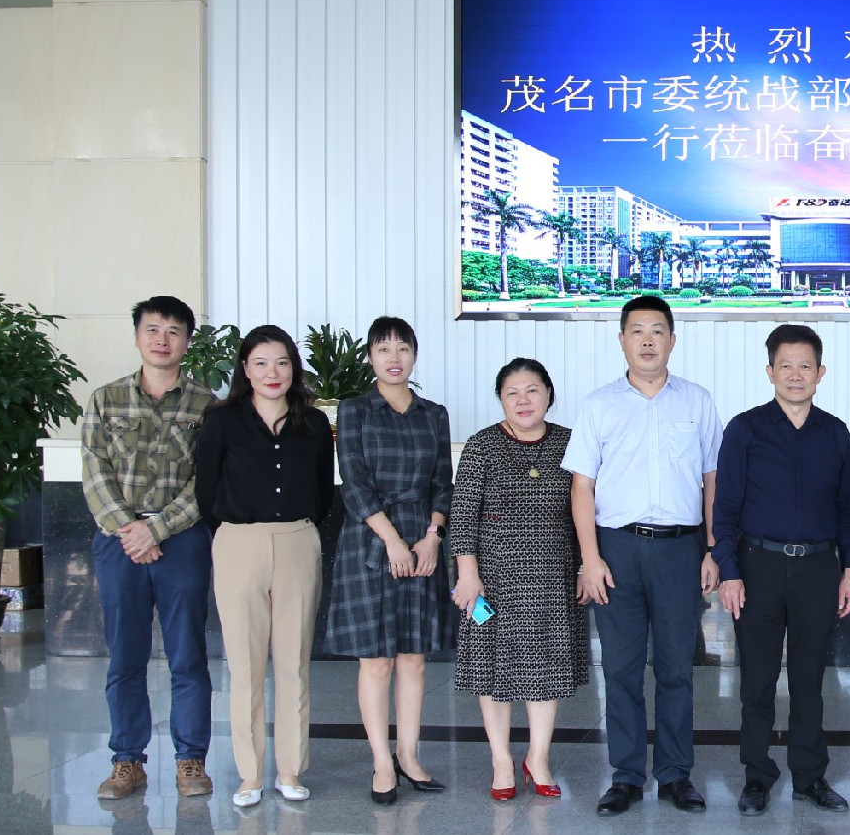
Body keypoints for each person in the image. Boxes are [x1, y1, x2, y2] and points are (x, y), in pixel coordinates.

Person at [565, 295, 723, 816]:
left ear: (673, 340)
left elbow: (712, 480)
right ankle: (626, 776)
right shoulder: (598, 405)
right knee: (621, 670)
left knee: (677, 668)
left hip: (680, 549)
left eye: (658, 330)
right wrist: (590, 559)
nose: (648, 340)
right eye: (637, 331)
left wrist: (712, 549)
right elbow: (582, 486)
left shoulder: (697, 401)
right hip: (616, 550)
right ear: (622, 340)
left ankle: (676, 774)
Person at [714, 324, 850, 816]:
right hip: (758, 568)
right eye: (786, 365)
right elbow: (725, 507)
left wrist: (849, 569)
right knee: (756, 681)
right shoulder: (745, 429)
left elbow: (847, 509)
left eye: (805, 366)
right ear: (770, 371)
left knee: (808, 681)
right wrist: (729, 570)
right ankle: (757, 776)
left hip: (819, 569)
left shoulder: (835, 432)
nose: (796, 375)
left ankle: (810, 777)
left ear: (821, 372)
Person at [81, 296, 220, 801]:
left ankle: (190, 759)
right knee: (125, 656)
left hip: (181, 541)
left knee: (188, 655)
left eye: (174, 331)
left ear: (187, 341)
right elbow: (95, 471)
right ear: (137, 335)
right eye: (153, 329)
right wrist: (129, 529)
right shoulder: (105, 399)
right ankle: (126, 761)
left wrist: (156, 530)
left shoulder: (207, 405)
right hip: (119, 543)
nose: (163, 340)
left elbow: (208, 481)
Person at [194, 324, 335, 808]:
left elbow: (322, 490)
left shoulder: (313, 423)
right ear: (245, 369)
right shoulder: (221, 421)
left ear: (293, 368)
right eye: (260, 363)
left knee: (294, 664)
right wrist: (237, 531)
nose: (272, 372)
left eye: (281, 362)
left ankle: (290, 769)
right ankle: (249, 774)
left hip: (297, 540)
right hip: (238, 543)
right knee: (246, 667)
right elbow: (206, 491)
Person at [322, 317, 456, 804]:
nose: (394, 358)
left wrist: (432, 537)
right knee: (376, 661)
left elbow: (442, 479)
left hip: (422, 539)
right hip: (371, 541)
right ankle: (382, 760)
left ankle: (409, 755)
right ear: (371, 357)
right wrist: (393, 541)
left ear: (414, 356)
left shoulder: (433, 414)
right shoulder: (355, 409)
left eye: (403, 348)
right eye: (383, 349)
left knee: (414, 659)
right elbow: (354, 481)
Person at [450, 358, 589, 801]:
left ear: (549, 394)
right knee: (494, 671)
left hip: (553, 576)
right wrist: (467, 574)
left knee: (546, 668)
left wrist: (585, 566)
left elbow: (587, 509)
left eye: (532, 390)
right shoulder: (482, 445)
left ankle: (539, 757)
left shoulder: (571, 443)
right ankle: (501, 761)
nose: (523, 400)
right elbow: (462, 515)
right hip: (492, 579)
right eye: (512, 392)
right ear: (501, 400)